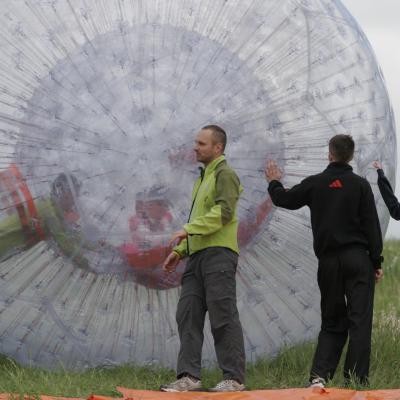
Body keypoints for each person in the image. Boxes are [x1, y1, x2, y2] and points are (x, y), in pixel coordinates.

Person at [265, 134, 383, 387]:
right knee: (359, 321)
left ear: (329, 154)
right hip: (357, 259)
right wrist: (376, 262)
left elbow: (284, 199)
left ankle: (319, 377)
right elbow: (371, 226)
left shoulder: (315, 183)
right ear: (350, 155)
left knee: (332, 320)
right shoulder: (361, 185)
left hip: (329, 262)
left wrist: (274, 182)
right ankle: (356, 382)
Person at [160, 125, 246, 392]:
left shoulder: (225, 174)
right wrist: (180, 251)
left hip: (219, 255)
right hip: (197, 257)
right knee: (188, 313)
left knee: (223, 315)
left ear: (217, 148)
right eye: (196, 142)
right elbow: (199, 221)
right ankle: (189, 377)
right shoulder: (202, 177)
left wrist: (186, 230)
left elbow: (223, 213)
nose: (195, 147)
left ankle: (234, 378)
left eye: (202, 143)